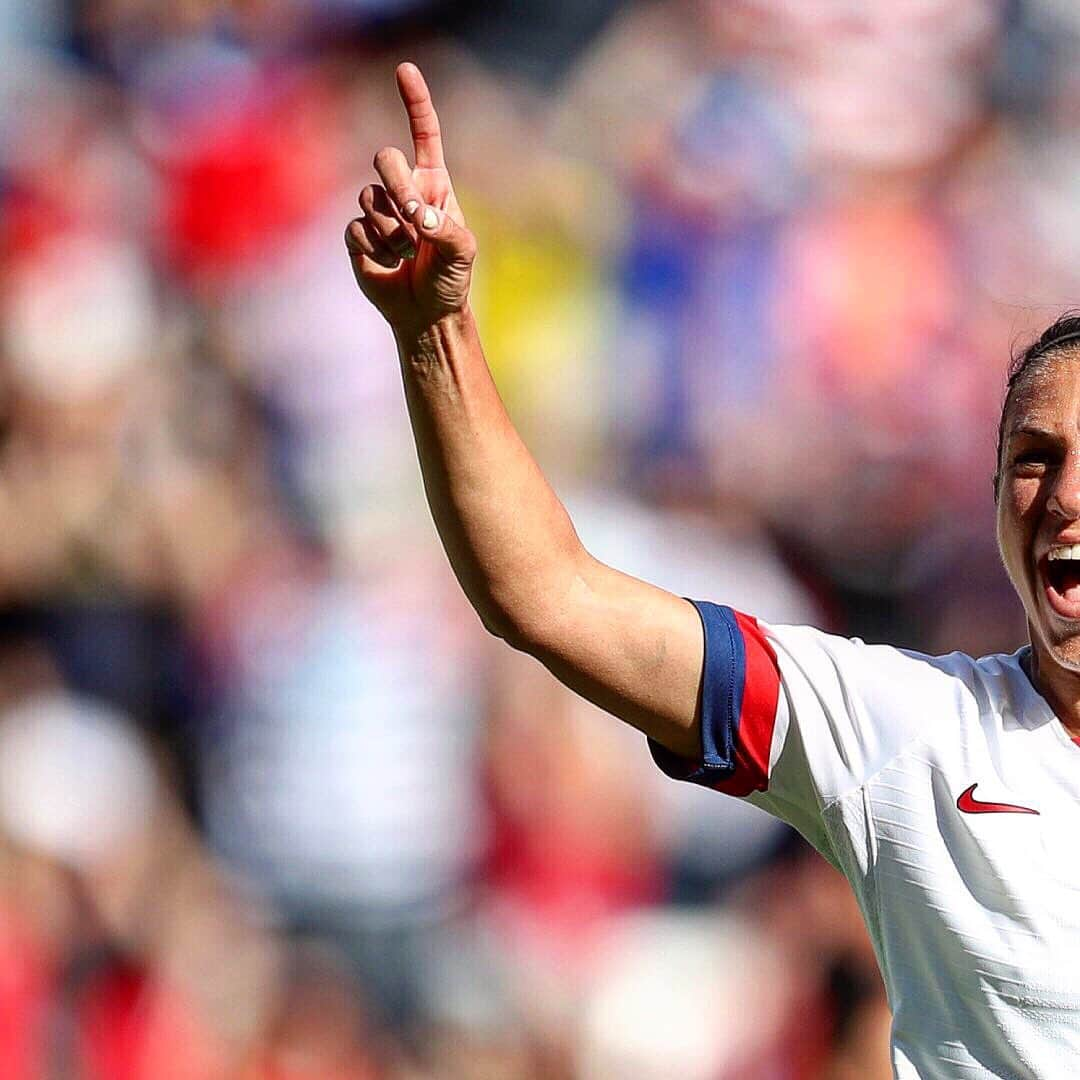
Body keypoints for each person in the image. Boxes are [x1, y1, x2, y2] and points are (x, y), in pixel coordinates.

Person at [346, 63, 1080, 1079]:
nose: (1065, 496)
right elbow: (548, 594)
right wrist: (433, 333)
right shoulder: (911, 734)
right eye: (1035, 459)